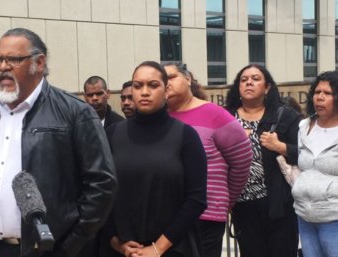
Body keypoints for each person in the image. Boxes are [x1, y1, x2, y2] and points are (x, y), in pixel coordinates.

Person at [0, 28, 117, 257]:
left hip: (46, 250)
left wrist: (69, 246)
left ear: (39, 63)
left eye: (14, 59)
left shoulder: (75, 113)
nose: (3, 67)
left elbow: (101, 185)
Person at [105, 61, 207, 257]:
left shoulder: (186, 136)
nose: (144, 92)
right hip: (121, 249)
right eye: (137, 86)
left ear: (166, 91)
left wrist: (158, 247)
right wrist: (116, 241)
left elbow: (196, 199)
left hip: (173, 248)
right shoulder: (112, 134)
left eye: (153, 85)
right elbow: (101, 191)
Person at [163, 62, 252, 257]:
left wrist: (226, 200)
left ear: (188, 79)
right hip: (166, 218)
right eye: (161, 80)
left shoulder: (215, 114)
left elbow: (242, 160)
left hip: (206, 215)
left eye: (171, 77)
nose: (166, 83)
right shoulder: (159, 118)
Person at [225, 64, 301, 257]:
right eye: (244, 79)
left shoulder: (285, 115)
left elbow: (306, 152)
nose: (249, 82)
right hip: (242, 205)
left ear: (267, 88)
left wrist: (280, 147)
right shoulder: (225, 118)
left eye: (256, 79)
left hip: (278, 204)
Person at [291, 71, 338, 257]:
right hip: (305, 215)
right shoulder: (304, 126)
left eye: (327, 93)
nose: (320, 97)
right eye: (317, 92)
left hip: (334, 216)